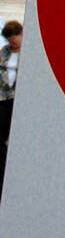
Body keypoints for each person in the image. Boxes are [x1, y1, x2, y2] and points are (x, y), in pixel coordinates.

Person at [0, 20, 22, 196]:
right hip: (4, 96)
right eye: (9, 39)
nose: (12, 42)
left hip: (19, 97)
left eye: (14, 38)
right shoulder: (5, 52)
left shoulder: (28, 51)